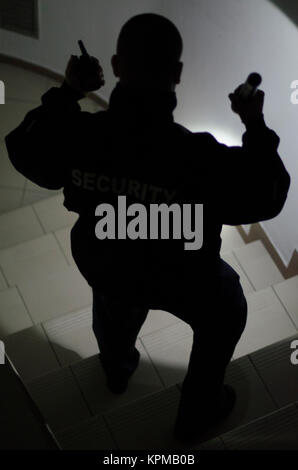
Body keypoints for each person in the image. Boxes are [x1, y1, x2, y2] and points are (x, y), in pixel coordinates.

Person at [5, 13, 290, 442]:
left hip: (106, 257)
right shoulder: (199, 159)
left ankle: (117, 371)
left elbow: (24, 149)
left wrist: (68, 93)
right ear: (177, 74)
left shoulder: (82, 135)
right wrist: (254, 123)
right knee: (228, 307)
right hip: (184, 274)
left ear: (116, 66)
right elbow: (269, 193)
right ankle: (196, 414)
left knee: (113, 302)